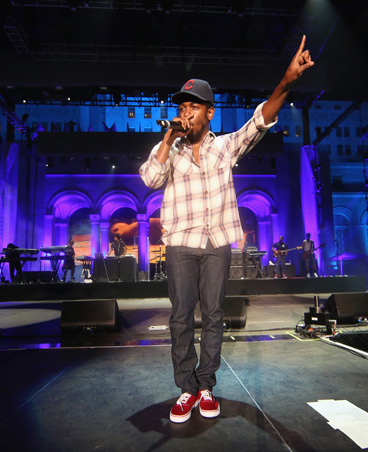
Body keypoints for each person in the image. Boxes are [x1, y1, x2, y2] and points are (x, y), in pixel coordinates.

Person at [139, 36, 313, 423]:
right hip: (181, 243)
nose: (186, 113)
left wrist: (286, 81)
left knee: (214, 315)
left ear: (209, 113)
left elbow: (260, 121)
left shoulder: (225, 147)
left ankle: (206, 386)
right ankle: (186, 388)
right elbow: (150, 178)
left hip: (216, 242)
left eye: (193, 106)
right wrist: (168, 137)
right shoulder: (169, 150)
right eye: (182, 107)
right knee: (181, 316)